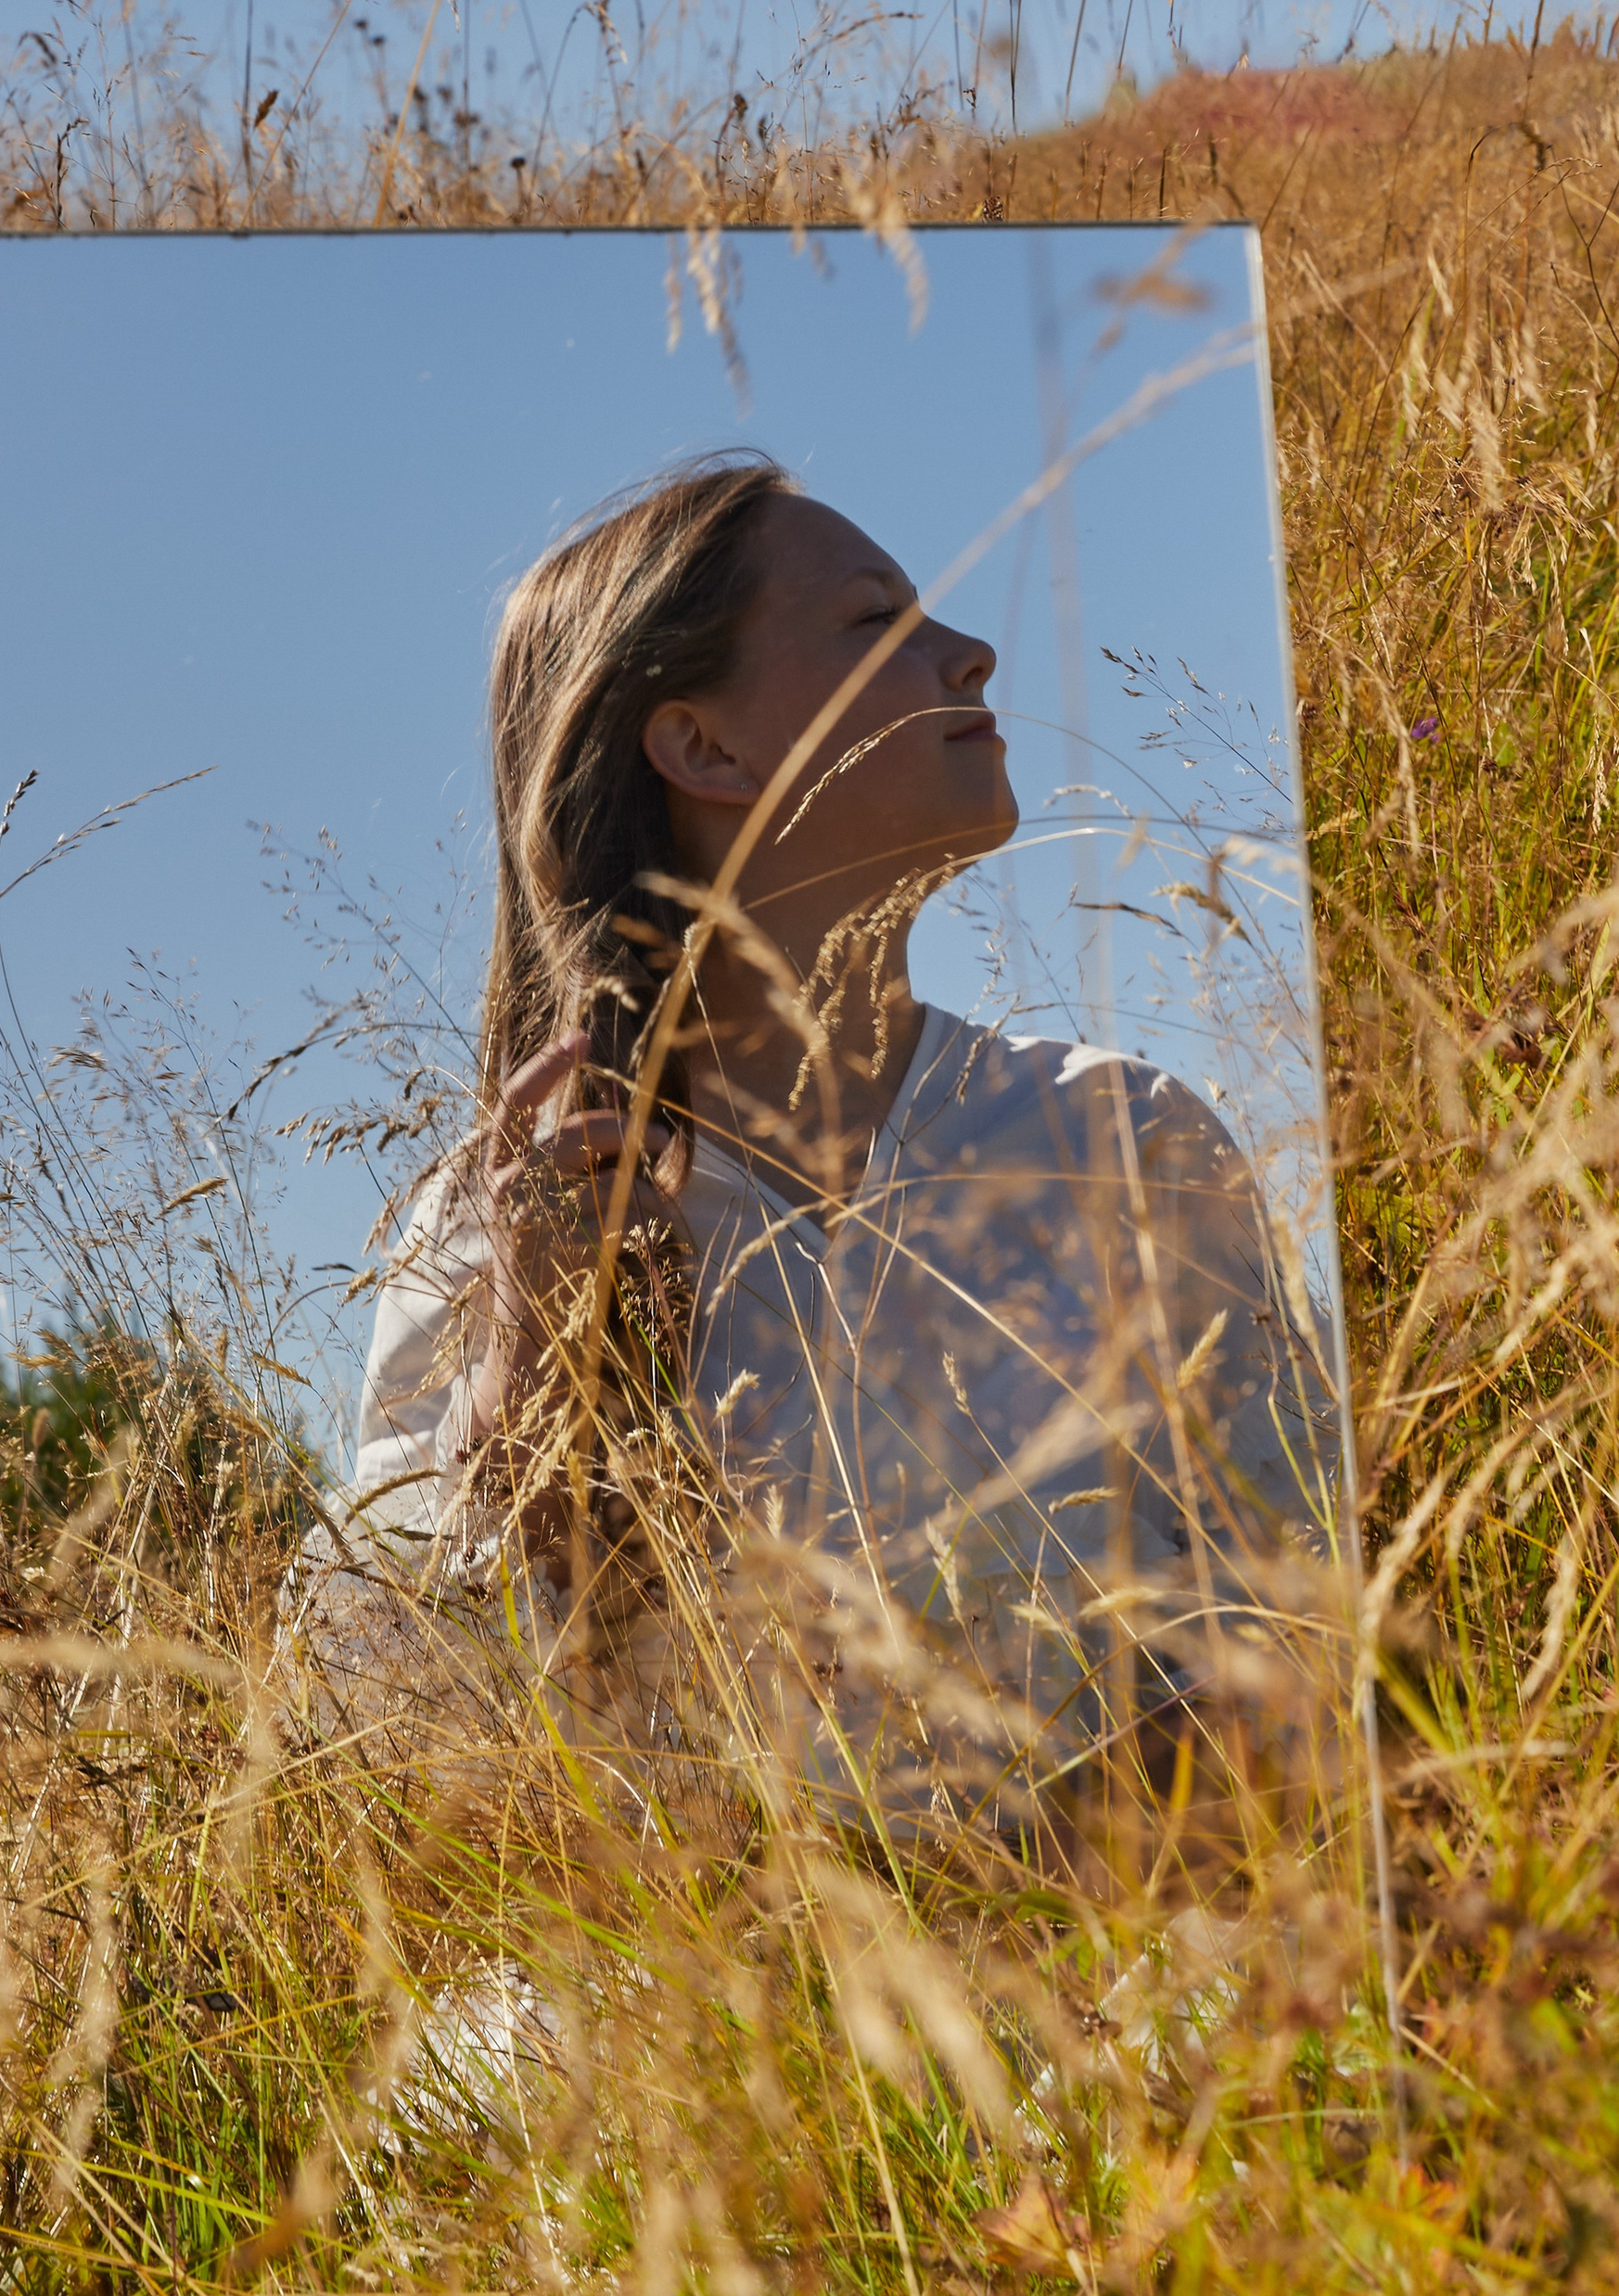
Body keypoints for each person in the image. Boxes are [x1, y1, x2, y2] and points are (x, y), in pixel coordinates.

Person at [296, 453, 1326, 1843]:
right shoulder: (513, 1216)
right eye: (874, 624)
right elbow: (393, 1771)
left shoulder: (1121, 1144)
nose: (969, 653)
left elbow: (1308, 1619)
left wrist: (1019, 1894)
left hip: (1127, 1992)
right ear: (705, 749)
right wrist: (526, 1366)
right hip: (670, 2035)